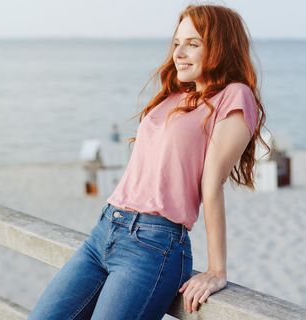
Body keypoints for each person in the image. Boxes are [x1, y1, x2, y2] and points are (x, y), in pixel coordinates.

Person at [28, 3, 267, 319]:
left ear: (221, 47)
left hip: (153, 245)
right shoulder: (174, 96)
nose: (179, 53)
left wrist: (216, 269)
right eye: (177, 43)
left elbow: (212, 183)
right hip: (105, 230)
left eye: (193, 44)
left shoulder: (234, 97)